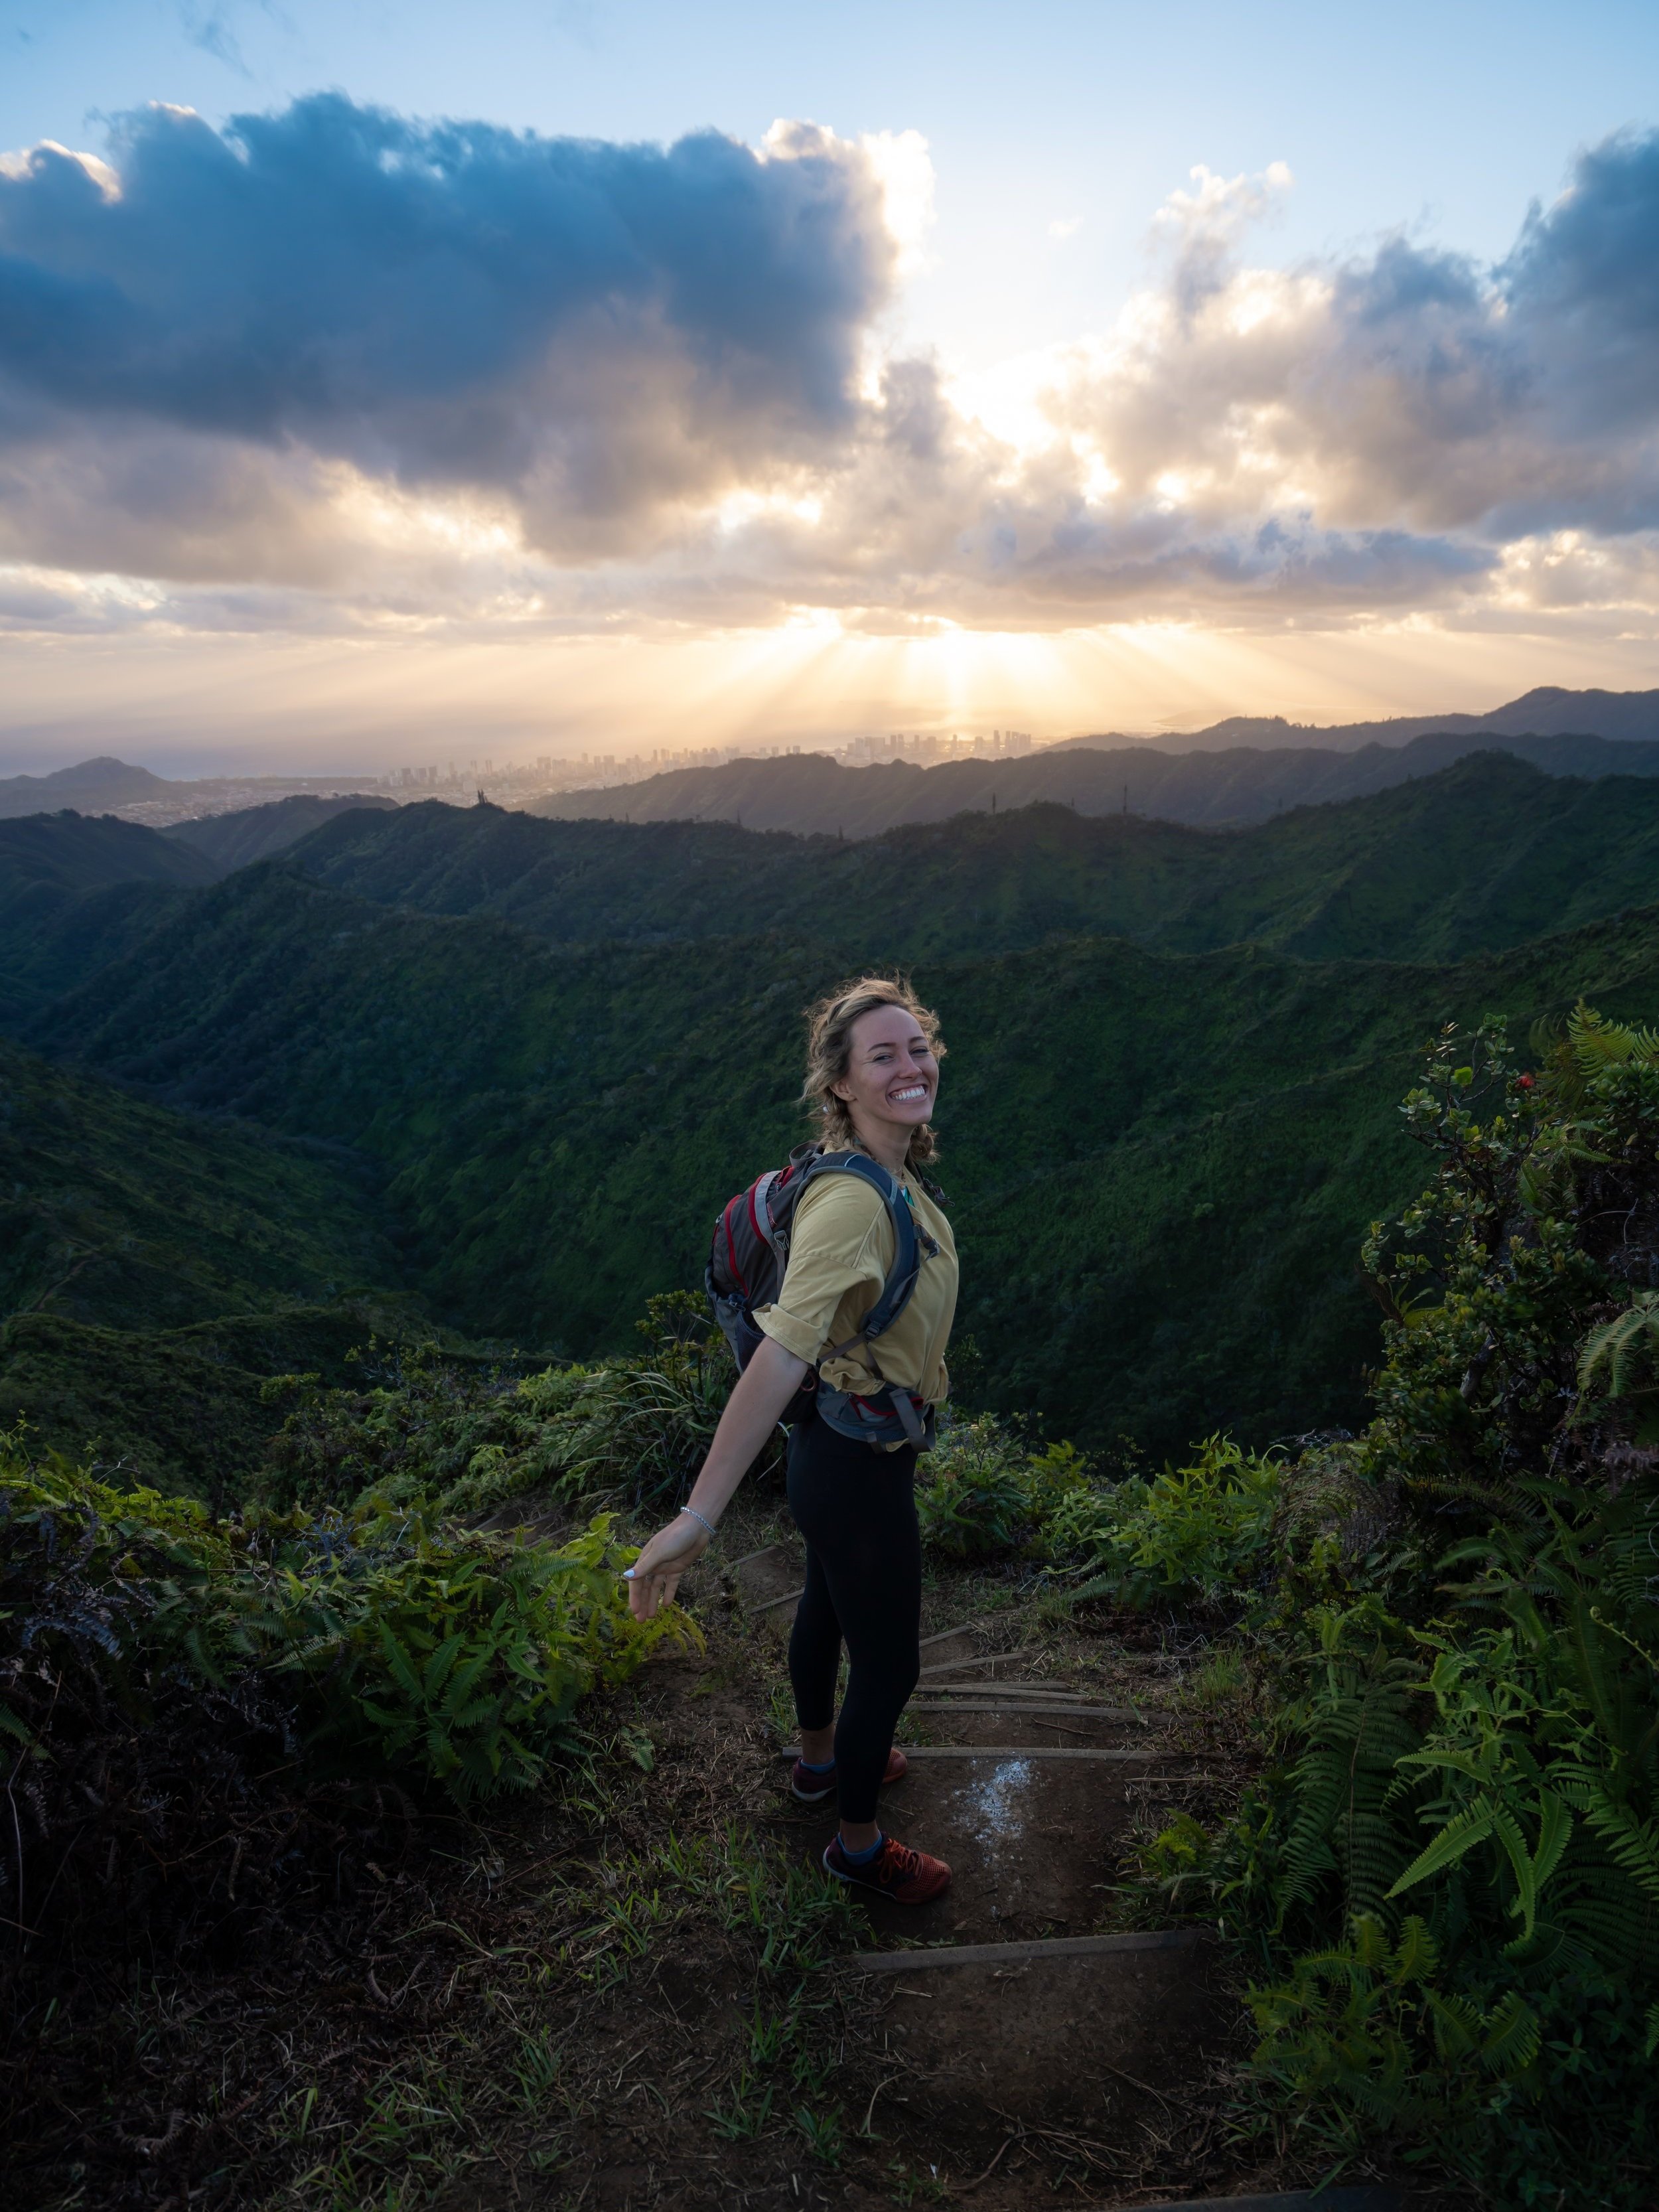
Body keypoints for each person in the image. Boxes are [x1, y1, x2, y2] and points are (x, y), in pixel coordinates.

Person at [624, 976, 959, 1905]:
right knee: (889, 1662)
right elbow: (778, 1356)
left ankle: (818, 1765)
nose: (909, 1066)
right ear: (842, 1085)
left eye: (917, 1047)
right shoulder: (852, 1204)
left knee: (825, 1604)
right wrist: (698, 1514)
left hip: (832, 1449)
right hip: (855, 1468)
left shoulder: (880, 1173)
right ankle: (857, 1849)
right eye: (881, 1055)